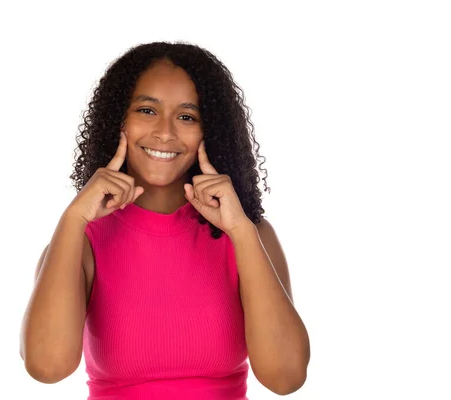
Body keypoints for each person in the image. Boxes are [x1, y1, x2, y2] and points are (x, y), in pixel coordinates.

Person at [20, 41, 310, 399]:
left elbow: (286, 377)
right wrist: (73, 217)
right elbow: (47, 367)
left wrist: (241, 232)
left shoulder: (248, 234)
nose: (166, 132)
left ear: (210, 131)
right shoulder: (81, 240)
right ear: (118, 120)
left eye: (187, 116)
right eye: (146, 110)